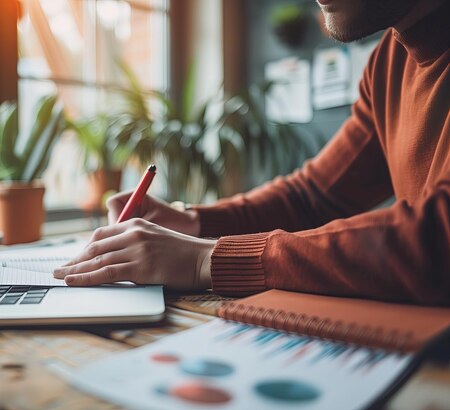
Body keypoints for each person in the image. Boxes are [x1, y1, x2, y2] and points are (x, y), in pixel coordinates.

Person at [54, 0, 450, 306]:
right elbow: (313, 195)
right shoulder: (389, 61)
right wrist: (191, 222)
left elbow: (438, 240)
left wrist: (205, 260)